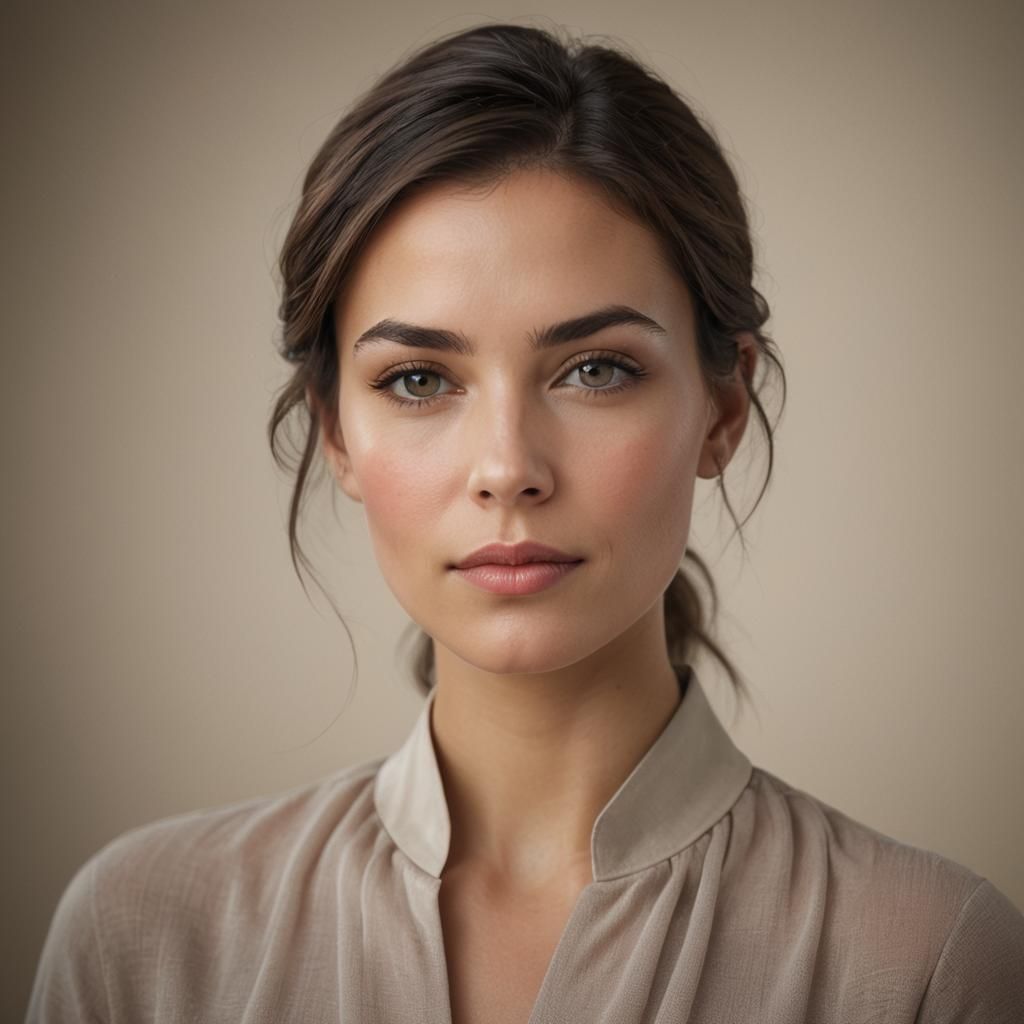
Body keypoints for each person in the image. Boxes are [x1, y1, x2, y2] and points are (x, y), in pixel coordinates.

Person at [26, 21, 1024, 1024]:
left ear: (722, 409)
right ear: (336, 431)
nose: (507, 467)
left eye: (596, 370)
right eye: (418, 379)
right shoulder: (141, 941)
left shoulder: (924, 964)